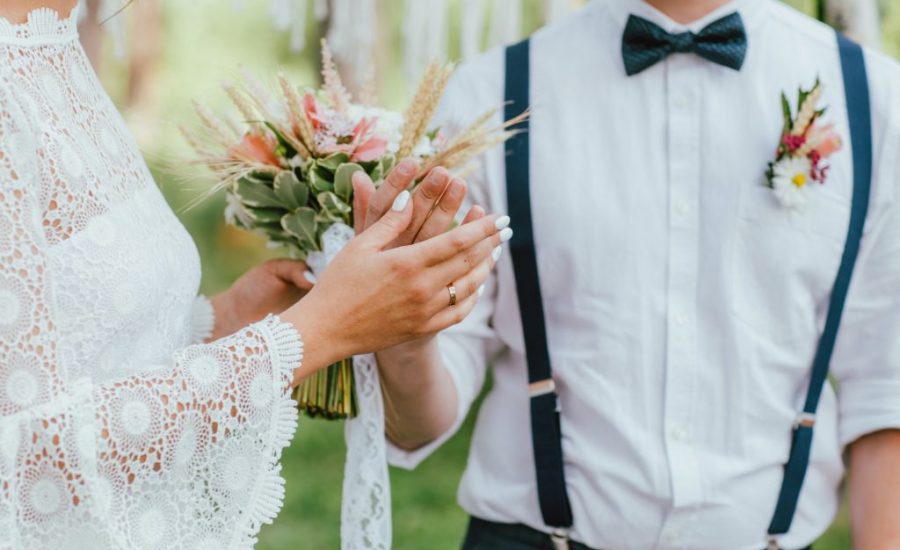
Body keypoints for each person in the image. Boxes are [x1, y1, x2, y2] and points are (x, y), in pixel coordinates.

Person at [367, 0, 900, 548]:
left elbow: (886, 385)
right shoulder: (487, 99)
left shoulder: (872, 99)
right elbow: (417, 415)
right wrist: (402, 340)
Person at [0, 1, 508, 547]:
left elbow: (70, 348)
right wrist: (314, 333)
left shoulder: (51, 42)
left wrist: (220, 323)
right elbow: (24, 459)